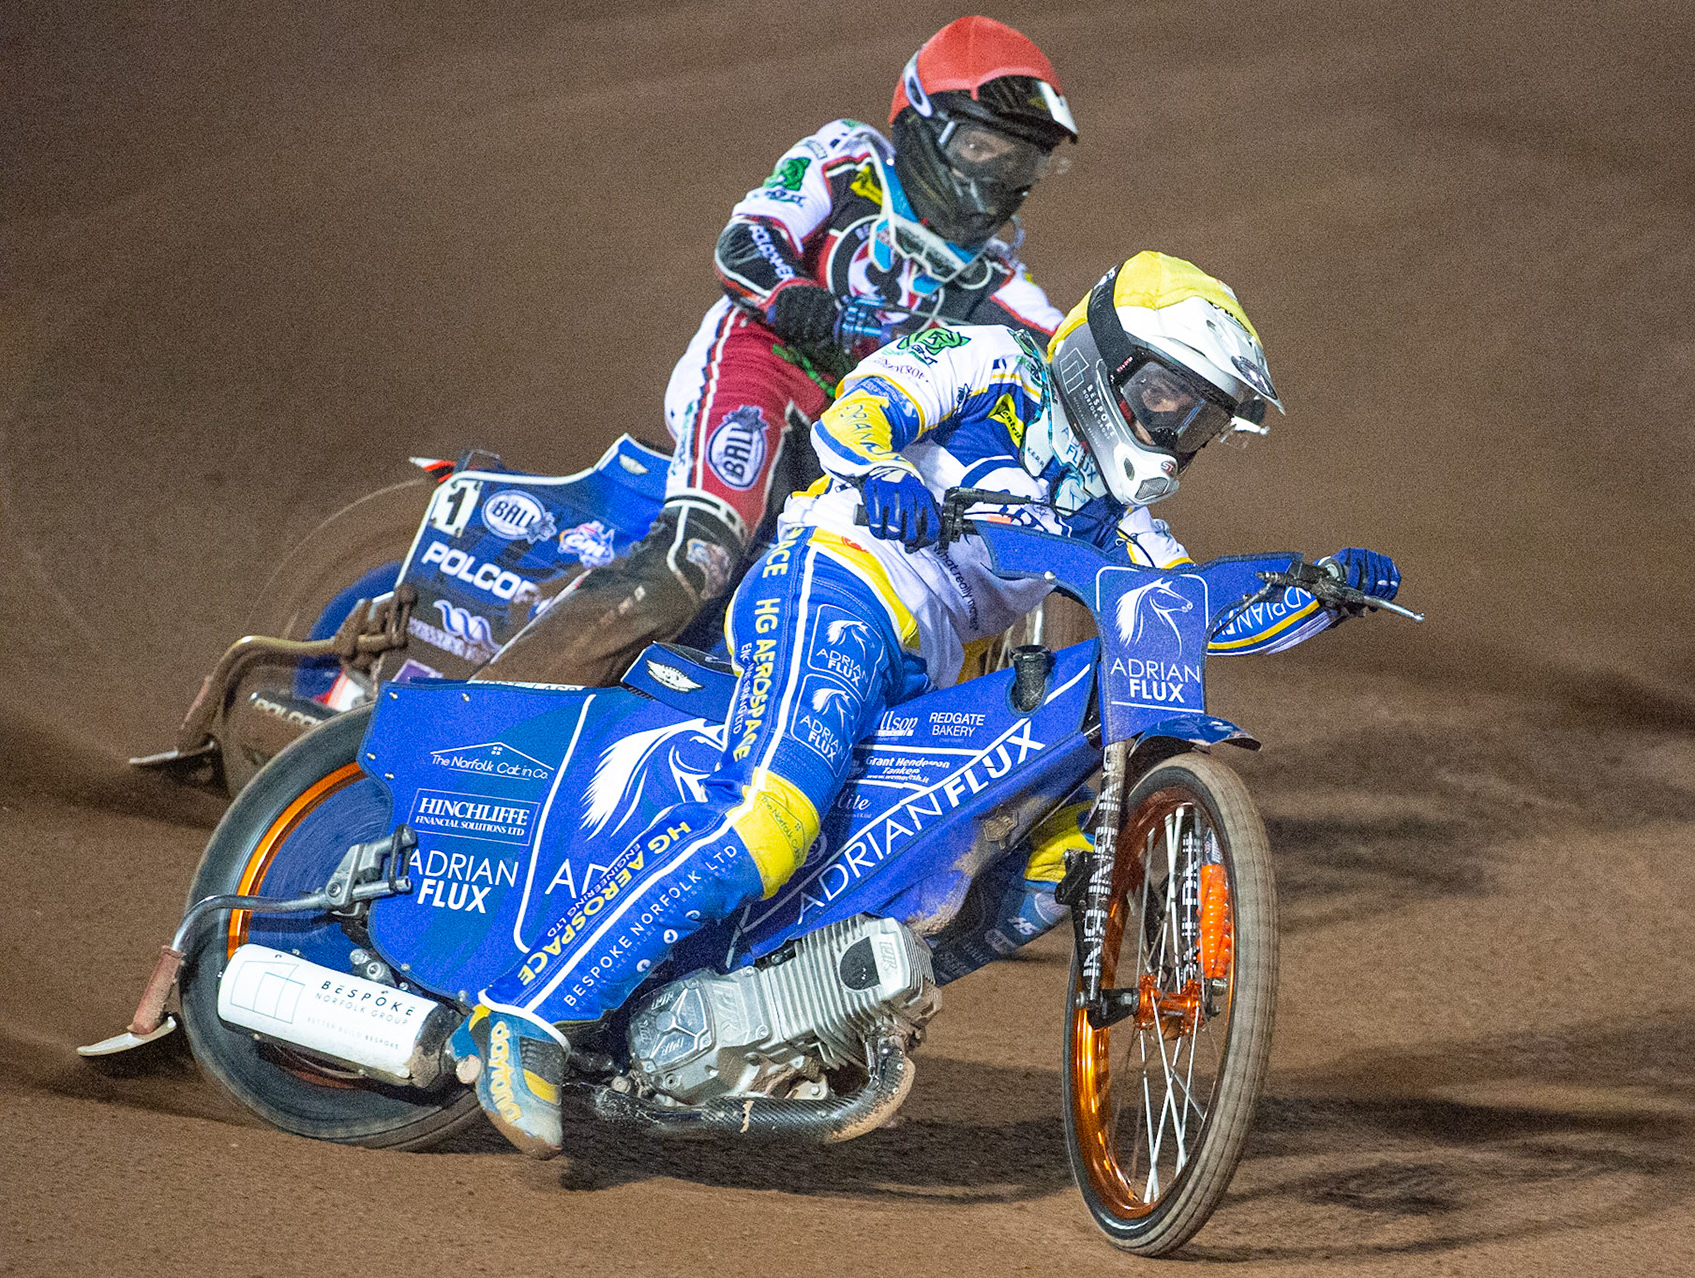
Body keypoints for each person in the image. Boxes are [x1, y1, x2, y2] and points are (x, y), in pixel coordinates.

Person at [450, 251, 1403, 1157]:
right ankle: (529, 1016)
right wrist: (884, 471)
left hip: (932, 669)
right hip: (840, 583)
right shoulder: (996, 362)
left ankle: (768, 1013)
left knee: (957, 877)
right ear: (1104, 359)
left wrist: (1319, 592)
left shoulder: (1123, 521)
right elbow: (862, 407)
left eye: (1200, 419)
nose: (1176, 427)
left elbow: (1187, 617)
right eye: (1166, 396)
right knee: (772, 813)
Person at [476, 15, 1079, 686]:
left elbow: (1068, 361)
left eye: (1020, 160)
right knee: (696, 557)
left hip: (856, 431)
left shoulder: (995, 278)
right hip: (761, 366)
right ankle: (476, 714)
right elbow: (745, 242)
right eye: (981, 147)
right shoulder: (851, 163)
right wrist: (804, 302)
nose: (999, 175)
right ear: (922, 125)